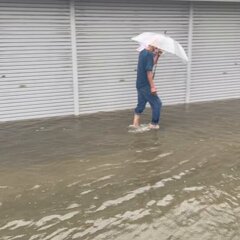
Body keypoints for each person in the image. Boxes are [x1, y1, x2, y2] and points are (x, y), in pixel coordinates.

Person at [131, 44, 163, 129]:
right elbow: (149, 71)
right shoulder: (149, 54)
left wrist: (157, 55)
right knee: (157, 103)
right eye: (156, 46)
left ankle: (135, 124)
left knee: (141, 104)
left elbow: (152, 63)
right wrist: (152, 87)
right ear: (152, 45)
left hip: (139, 84)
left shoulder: (143, 52)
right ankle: (154, 124)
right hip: (145, 85)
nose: (157, 48)